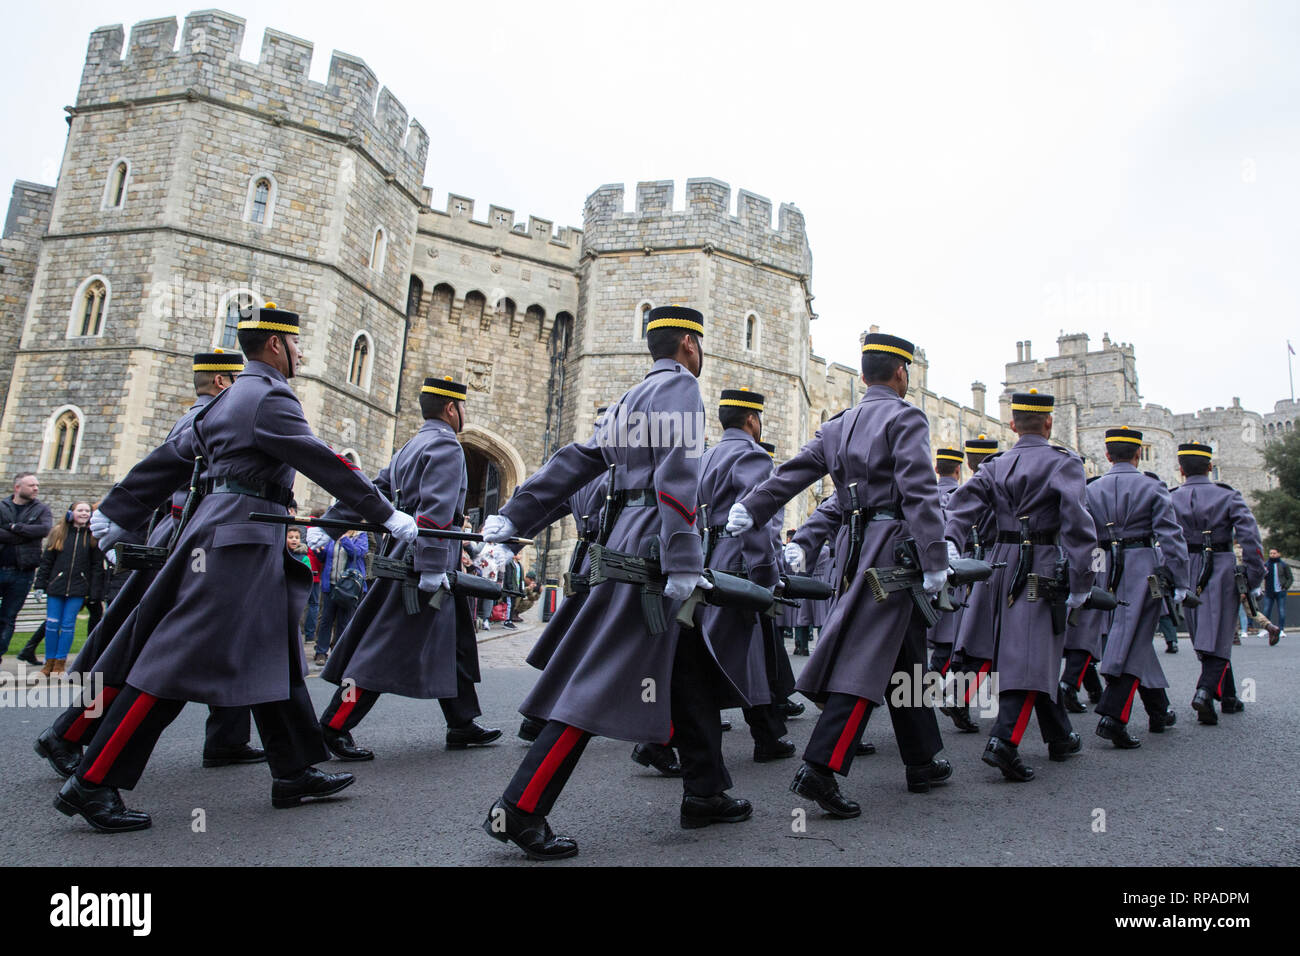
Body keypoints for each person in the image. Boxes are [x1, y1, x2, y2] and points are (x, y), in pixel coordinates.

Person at [53, 302, 417, 833]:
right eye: (295, 345)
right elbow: (322, 461)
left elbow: (172, 455)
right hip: (240, 538)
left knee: (274, 650)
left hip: (237, 529)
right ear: (276, 345)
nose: (300, 353)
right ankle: (92, 782)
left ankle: (293, 769)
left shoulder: (225, 400)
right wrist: (385, 513)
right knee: (172, 664)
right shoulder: (269, 398)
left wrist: (117, 509)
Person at [479, 305, 749, 861]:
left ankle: (706, 791)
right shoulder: (679, 392)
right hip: (653, 546)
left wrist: (517, 513)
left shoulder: (630, 398)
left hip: (627, 538)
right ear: (689, 345)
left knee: (688, 671)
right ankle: (520, 809)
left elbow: (578, 460)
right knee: (596, 685)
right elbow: (677, 480)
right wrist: (681, 559)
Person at [728, 332, 953, 818]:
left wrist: (752, 506)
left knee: (907, 655)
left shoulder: (839, 425)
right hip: (894, 550)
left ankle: (922, 759)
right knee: (866, 658)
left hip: (855, 548)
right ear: (900, 373)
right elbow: (919, 492)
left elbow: (792, 473)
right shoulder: (905, 416)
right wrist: (936, 559)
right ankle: (821, 768)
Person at [34, 349, 265, 778]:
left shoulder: (208, 417)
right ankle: (67, 734)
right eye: (238, 379)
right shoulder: (208, 418)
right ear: (221, 382)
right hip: (185, 544)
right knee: (151, 655)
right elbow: (163, 478)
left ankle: (229, 738)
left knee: (222, 645)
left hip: (193, 542)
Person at [317, 375, 500, 759]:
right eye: (462, 407)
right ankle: (333, 726)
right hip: (424, 560)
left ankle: (462, 722)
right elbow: (435, 511)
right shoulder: (447, 446)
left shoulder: (410, 446)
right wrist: (432, 565)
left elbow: (371, 492)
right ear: (452, 408)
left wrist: (331, 526)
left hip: (405, 551)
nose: (464, 414)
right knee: (380, 653)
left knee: (454, 643)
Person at [943, 390, 1093, 783]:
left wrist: (949, 544)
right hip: (1040, 565)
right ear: (1048, 423)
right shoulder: (1064, 463)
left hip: (997, 565)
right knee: (1030, 653)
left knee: (1031, 649)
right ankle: (1004, 742)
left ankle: (1059, 736)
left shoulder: (995, 465)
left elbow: (960, 508)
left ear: (1012, 425)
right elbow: (1078, 527)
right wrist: (1081, 582)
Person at [696, 389, 795, 764]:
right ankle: (662, 740)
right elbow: (760, 520)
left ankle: (768, 733)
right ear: (752, 420)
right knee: (737, 651)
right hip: (738, 561)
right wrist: (767, 575)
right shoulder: (752, 454)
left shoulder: (707, 457)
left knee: (731, 649)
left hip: (710, 556)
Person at [1086, 427, 1188, 748]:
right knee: (1135, 637)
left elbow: (1081, 535)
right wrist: (1180, 578)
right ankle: (1113, 716)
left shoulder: (1091, 489)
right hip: (1141, 564)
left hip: (1103, 566)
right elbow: (1170, 537)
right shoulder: (1151, 486)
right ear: (1138, 453)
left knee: (1133, 637)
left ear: (1107, 455)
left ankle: (1159, 709)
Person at [1169, 442, 1265, 725]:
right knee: (1221, 631)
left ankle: (1230, 696)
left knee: (1204, 633)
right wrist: (1253, 575)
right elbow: (1251, 539)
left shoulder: (1171, 497)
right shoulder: (1227, 495)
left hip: (1187, 568)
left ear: (1181, 470)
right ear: (1210, 467)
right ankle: (1205, 692)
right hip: (1221, 565)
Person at [941, 435, 1000, 733]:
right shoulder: (998, 484)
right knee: (990, 639)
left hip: (965, 564)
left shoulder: (963, 490)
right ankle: (961, 696)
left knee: (971, 638)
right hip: (993, 560)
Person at [31, 502, 104, 677]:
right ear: (71, 513)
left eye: (87, 511)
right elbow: (47, 562)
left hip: (78, 589)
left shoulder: (92, 536)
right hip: (56, 587)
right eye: (80, 510)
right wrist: (40, 585)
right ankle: (48, 662)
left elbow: (96, 567)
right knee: (52, 625)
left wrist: (94, 592)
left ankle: (60, 663)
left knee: (68, 626)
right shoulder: (59, 533)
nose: (84, 513)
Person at [0, 473, 53, 658]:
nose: (36, 488)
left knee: (8, 617)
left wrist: (14, 528)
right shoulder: (2, 506)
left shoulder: (41, 510)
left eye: (37, 485)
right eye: (31, 485)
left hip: (22, 573)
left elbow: (44, 530)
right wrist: (25, 535)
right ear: (17, 487)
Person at [926, 449, 965, 680]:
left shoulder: (925, 495)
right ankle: (937, 673)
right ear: (959, 470)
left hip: (927, 564)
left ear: (936, 469)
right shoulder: (962, 495)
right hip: (958, 565)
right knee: (953, 625)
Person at [313, 529, 368, 665]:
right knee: (326, 619)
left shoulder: (361, 535)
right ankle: (321, 652)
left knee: (344, 621)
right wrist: (318, 550)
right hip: (330, 584)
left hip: (348, 587)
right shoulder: (333, 535)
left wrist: (344, 539)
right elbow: (326, 557)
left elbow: (358, 553)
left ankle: (337, 653)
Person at [302, 506, 327, 645]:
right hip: (314, 570)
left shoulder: (302, 525)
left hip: (300, 567)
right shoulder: (319, 529)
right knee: (313, 603)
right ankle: (310, 635)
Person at [1262, 548, 1292, 633]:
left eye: (1274, 553)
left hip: (1280, 592)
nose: (1272, 555)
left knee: (1281, 611)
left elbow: (1290, 578)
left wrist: (1285, 587)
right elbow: (1262, 576)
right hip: (1269, 591)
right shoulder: (1266, 565)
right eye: (1271, 553)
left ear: (1279, 554)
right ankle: (1266, 629)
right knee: (1266, 610)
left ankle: (1281, 629)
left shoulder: (1283, 565)